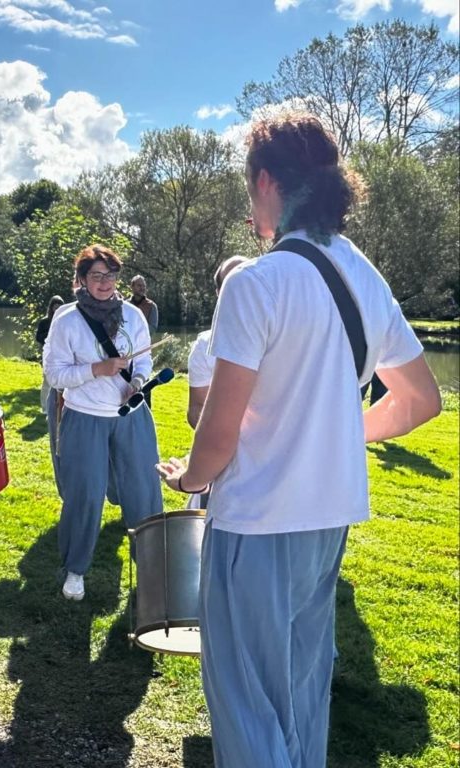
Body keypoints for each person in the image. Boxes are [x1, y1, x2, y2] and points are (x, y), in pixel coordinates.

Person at [156, 112, 441, 768]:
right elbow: (422, 399)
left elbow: (220, 435)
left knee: (246, 702)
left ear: (265, 183)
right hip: (328, 521)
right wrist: (338, 437)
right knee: (303, 696)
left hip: (256, 523)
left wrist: (189, 478)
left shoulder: (255, 284)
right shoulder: (363, 274)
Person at [43, 245, 163, 602]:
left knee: (144, 491)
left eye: (111, 275)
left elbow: (144, 362)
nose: (105, 282)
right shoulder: (66, 320)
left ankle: (153, 568)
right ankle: (76, 570)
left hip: (131, 415)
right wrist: (96, 369)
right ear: (81, 279)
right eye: (97, 275)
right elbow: (54, 374)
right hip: (84, 417)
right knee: (85, 495)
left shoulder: (133, 316)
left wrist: (137, 384)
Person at [186, 256, 251, 430]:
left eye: (248, 281)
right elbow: (196, 408)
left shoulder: (282, 335)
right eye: (232, 284)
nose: (241, 290)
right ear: (219, 293)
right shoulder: (203, 346)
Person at [36, 295, 65, 413]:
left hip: (62, 355)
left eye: (59, 307)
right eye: (55, 307)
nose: (56, 309)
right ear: (51, 307)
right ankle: (45, 408)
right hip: (48, 354)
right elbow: (38, 337)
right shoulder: (44, 322)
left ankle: (59, 407)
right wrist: (49, 337)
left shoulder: (64, 321)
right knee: (47, 382)